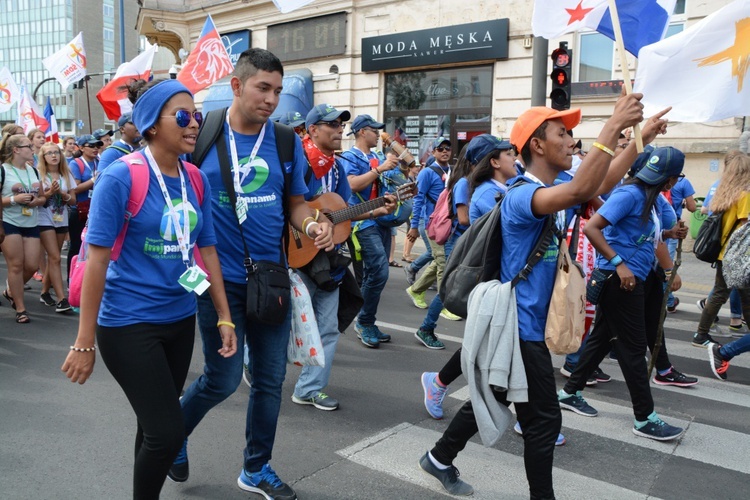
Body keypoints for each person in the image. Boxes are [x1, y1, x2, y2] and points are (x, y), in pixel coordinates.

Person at [419, 96, 646, 498]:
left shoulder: (550, 187)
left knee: (496, 394)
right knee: (543, 421)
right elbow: (581, 188)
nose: (571, 141)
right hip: (518, 327)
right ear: (537, 146)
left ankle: (438, 458)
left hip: (524, 326)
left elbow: (599, 183)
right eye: (562, 133)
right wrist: (611, 128)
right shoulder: (524, 195)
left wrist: (638, 138)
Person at [61, 79, 237, 500]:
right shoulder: (120, 177)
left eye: (196, 114)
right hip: (127, 324)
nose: (194, 123)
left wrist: (224, 315)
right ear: (150, 126)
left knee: (151, 426)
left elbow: (206, 249)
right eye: (182, 116)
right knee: (167, 432)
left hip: (179, 318)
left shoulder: (194, 177)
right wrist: (84, 343)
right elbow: (96, 260)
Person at [172, 48, 333, 500]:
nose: (271, 99)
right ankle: (172, 435)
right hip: (214, 281)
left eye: (278, 91)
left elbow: (297, 203)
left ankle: (256, 468)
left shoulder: (284, 141)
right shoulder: (200, 133)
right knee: (221, 380)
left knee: (269, 380)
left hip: (271, 280)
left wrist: (311, 224)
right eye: (263, 88)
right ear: (238, 86)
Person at [560, 146, 695, 444]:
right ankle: (644, 418)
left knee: (600, 338)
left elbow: (639, 235)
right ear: (671, 179)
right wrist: (620, 264)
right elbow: (594, 228)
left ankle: (569, 392)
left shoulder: (650, 197)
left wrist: (670, 235)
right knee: (633, 350)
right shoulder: (630, 194)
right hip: (619, 281)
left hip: (636, 279)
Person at [291, 105, 395, 410]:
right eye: (332, 124)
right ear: (312, 131)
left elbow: (341, 211)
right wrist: (308, 226)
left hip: (328, 259)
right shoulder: (297, 164)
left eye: (341, 124)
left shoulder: (336, 168)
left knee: (327, 326)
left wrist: (377, 208)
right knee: (281, 323)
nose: (339, 130)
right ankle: (249, 357)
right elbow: (288, 208)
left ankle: (310, 388)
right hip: (295, 255)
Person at [339, 113, 400, 348]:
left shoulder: (376, 155)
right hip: (360, 222)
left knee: (375, 275)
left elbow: (381, 186)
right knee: (379, 272)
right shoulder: (349, 157)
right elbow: (351, 184)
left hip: (380, 220)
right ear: (362, 131)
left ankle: (367, 320)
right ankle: (363, 321)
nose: (378, 134)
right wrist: (381, 168)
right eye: (374, 130)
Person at [692, 153, 750, 348]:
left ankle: (701, 334)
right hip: (738, 255)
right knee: (726, 294)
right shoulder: (744, 194)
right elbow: (744, 226)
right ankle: (701, 335)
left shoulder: (725, 191)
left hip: (724, 252)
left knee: (737, 294)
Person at [0, 132, 46, 323]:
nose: (32, 148)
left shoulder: (33, 170)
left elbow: (43, 197)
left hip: (31, 223)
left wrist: (37, 201)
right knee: (16, 265)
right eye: (28, 146)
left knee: (32, 265)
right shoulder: (3, 170)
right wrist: (14, 199)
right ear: (16, 150)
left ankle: (11, 290)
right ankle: (20, 308)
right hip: (9, 222)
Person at [404, 137, 451, 304]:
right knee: (442, 262)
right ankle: (444, 304)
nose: (445, 151)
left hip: (448, 223)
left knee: (439, 258)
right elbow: (418, 199)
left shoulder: (451, 171)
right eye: (441, 148)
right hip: (431, 223)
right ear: (433, 152)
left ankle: (416, 287)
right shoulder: (427, 172)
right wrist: (414, 226)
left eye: (448, 148)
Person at [37, 142, 76, 312]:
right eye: (49, 153)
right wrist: (50, 193)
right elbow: (37, 199)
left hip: (61, 219)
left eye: (56, 152)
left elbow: (73, 200)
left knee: (55, 258)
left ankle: (45, 292)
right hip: (43, 218)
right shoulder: (38, 174)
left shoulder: (66, 174)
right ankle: (62, 299)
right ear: (43, 157)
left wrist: (62, 193)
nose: (54, 156)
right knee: (55, 257)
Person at [67, 134, 101, 282]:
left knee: (93, 246)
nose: (96, 149)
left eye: (97, 146)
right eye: (91, 146)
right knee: (76, 247)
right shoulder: (76, 164)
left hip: (95, 209)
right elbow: (74, 189)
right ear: (81, 148)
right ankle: (72, 280)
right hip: (79, 211)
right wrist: (94, 179)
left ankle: (87, 279)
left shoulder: (100, 162)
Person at [664, 171, 696, 313]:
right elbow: (692, 207)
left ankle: (668, 300)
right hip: (673, 228)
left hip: (657, 226)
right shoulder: (684, 182)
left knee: (658, 265)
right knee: (667, 267)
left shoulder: (659, 180)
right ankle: (669, 301)